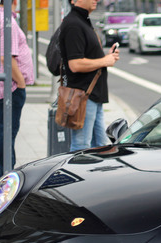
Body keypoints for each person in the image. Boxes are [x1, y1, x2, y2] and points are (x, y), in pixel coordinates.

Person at [0, 0, 34, 176]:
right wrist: (21, 82)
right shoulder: (6, 20)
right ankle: (8, 175)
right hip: (8, 86)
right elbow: (7, 57)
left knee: (5, 130)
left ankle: (7, 171)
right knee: (8, 132)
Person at [59, 0, 119, 151]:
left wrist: (106, 57)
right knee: (81, 146)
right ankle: (77, 174)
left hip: (92, 96)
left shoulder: (83, 21)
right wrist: (105, 60)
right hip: (83, 96)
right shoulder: (73, 24)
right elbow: (75, 64)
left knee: (100, 146)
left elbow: (87, 57)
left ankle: (95, 174)